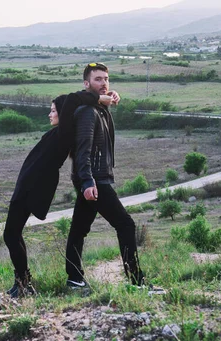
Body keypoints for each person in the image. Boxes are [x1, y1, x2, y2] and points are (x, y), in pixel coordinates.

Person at [4, 89, 120, 298]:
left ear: (64, 113)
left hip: (33, 187)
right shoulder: (59, 132)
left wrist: (101, 98)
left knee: (11, 234)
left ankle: (24, 284)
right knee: (12, 233)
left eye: (53, 111)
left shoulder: (66, 132)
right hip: (27, 185)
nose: (49, 115)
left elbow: (74, 99)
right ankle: (22, 282)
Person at [65, 62, 145, 289]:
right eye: (97, 79)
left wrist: (107, 99)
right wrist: (88, 181)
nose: (103, 83)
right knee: (126, 225)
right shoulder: (88, 112)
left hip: (91, 178)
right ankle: (136, 281)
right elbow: (83, 150)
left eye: (106, 79)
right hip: (95, 179)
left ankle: (74, 279)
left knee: (78, 230)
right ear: (86, 83)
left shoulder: (99, 108)